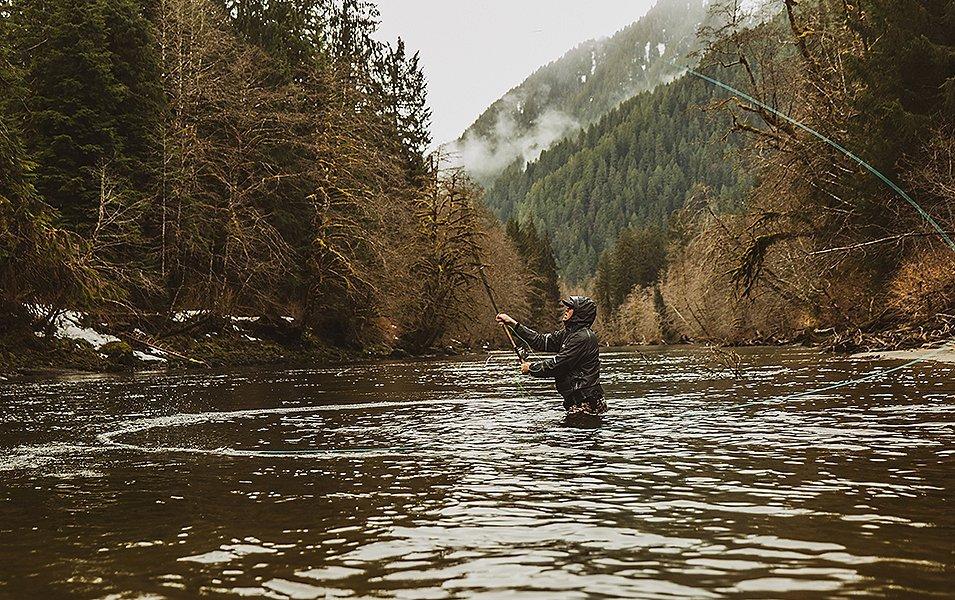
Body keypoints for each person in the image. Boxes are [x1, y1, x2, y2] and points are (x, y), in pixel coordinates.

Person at [496, 296, 607, 415]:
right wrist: (513, 324)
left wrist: (531, 368)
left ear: (580, 313)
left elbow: (559, 365)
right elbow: (540, 340)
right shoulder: (568, 334)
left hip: (587, 402)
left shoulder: (583, 338)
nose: (566, 310)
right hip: (579, 401)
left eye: (570, 308)